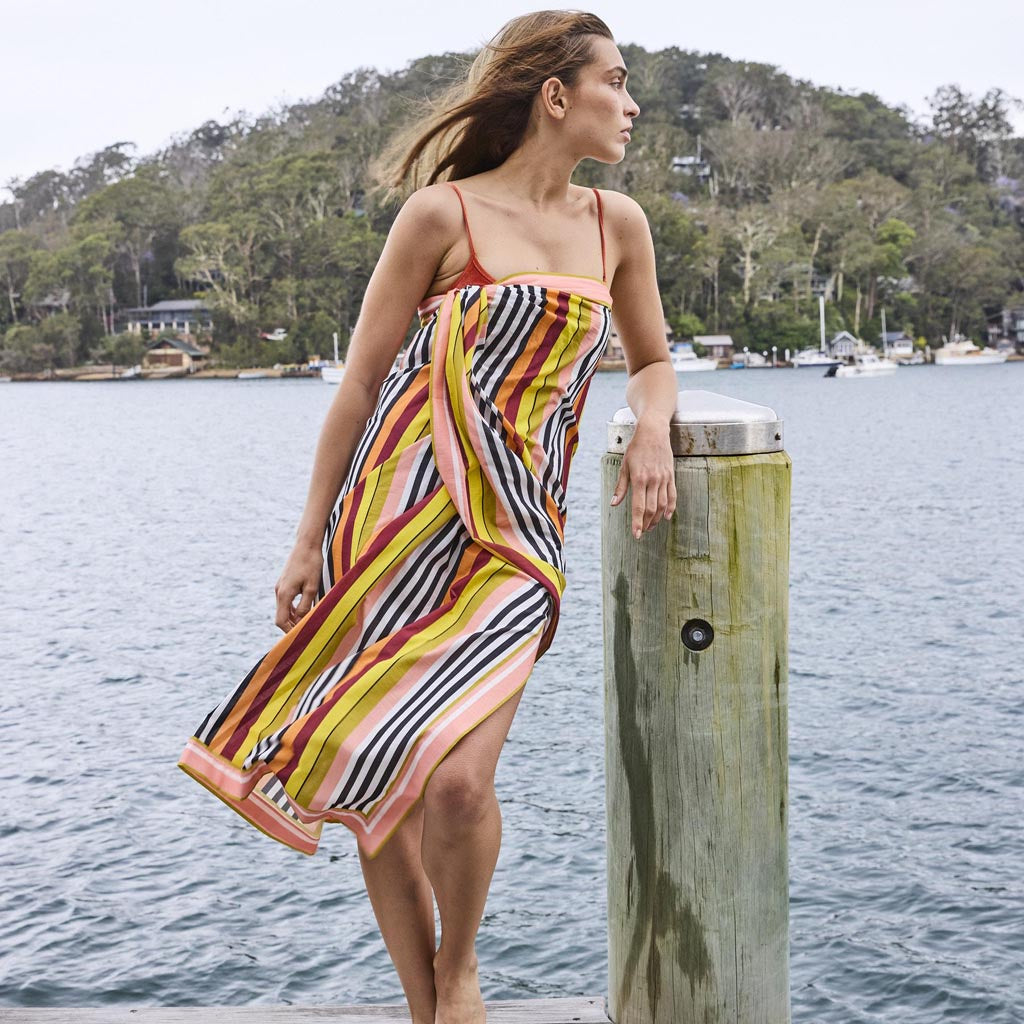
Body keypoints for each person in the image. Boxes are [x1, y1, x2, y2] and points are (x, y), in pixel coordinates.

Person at [177, 10, 677, 1024]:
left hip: (513, 542)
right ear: (555, 94)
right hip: (394, 527)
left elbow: (655, 359)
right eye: (615, 82)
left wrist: (654, 426)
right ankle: (432, 1008)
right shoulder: (440, 217)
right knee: (380, 785)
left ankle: (459, 976)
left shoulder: (613, 224)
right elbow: (359, 386)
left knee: (453, 786)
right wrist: (308, 537)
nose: (629, 106)